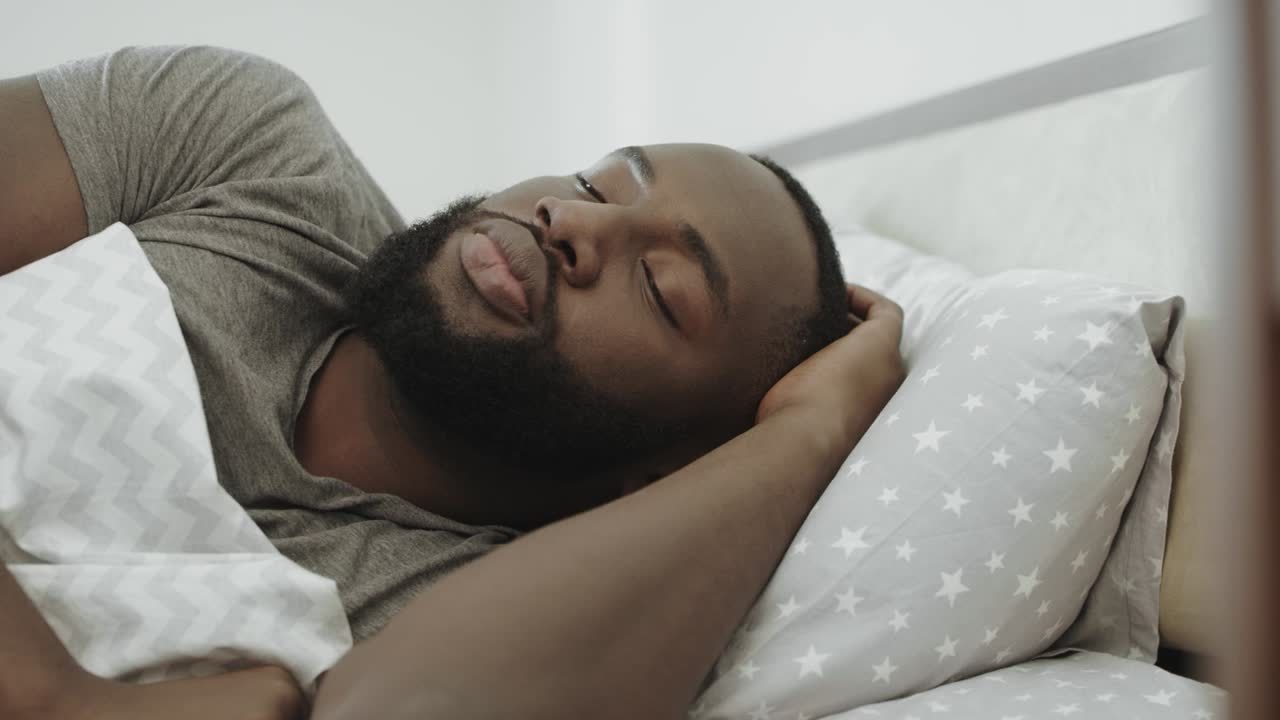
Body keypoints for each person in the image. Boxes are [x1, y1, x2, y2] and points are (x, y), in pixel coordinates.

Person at [0, 45, 905, 720]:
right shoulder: (251, 150)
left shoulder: (485, 611)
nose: (569, 219)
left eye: (661, 288)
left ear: (674, 470)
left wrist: (808, 433)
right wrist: (52, 697)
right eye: (598, 182)